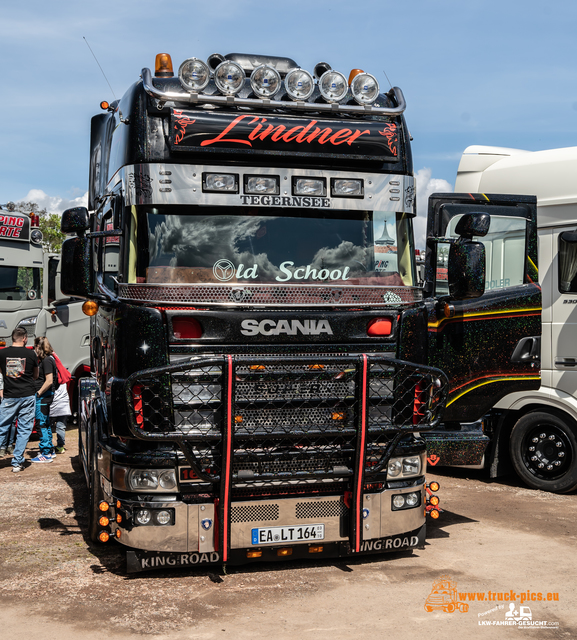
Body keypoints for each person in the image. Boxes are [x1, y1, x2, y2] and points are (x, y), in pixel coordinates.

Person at [0, 327, 39, 472]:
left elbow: (1, 373)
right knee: (24, 429)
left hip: (9, 396)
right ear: (24, 338)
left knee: (2, 427)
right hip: (27, 395)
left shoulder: (2, 353)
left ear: (12, 338)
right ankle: (17, 463)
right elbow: (35, 375)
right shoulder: (31, 354)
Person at [30, 336, 57, 463]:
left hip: (43, 397)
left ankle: (45, 453)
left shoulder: (46, 361)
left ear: (38, 347)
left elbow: (49, 381)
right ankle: (50, 450)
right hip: (46, 396)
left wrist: (38, 393)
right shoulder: (49, 359)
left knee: (41, 424)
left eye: (35, 347)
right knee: (45, 423)